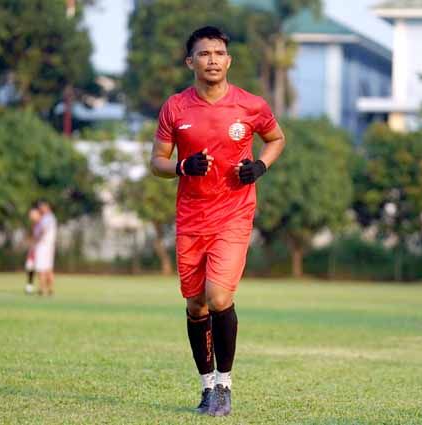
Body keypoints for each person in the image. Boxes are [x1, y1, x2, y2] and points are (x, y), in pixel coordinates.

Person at [150, 26, 286, 416]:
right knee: (196, 306)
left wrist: (260, 165)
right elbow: (156, 162)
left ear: (229, 61)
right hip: (191, 218)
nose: (212, 60)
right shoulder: (175, 108)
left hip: (234, 214)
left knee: (219, 297)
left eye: (219, 53)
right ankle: (207, 386)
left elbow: (276, 139)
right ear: (189, 61)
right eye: (204, 53)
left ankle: (225, 384)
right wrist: (180, 166)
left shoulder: (250, 105)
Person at [34, 200, 57, 296]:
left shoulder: (47, 218)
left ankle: (43, 289)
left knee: (42, 268)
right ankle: (48, 289)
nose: (40, 209)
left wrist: (37, 238)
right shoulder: (48, 217)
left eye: (42, 207)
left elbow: (43, 230)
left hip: (44, 245)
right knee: (47, 268)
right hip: (47, 245)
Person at [24, 207, 42, 294]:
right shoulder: (33, 225)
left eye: (33, 215)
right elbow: (31, 236)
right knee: (29, 267)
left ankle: (41, 288)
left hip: (40, 250)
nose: (31, 217)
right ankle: (29, 286)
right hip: (33, 249)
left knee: (40, 269)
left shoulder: (42, 224)